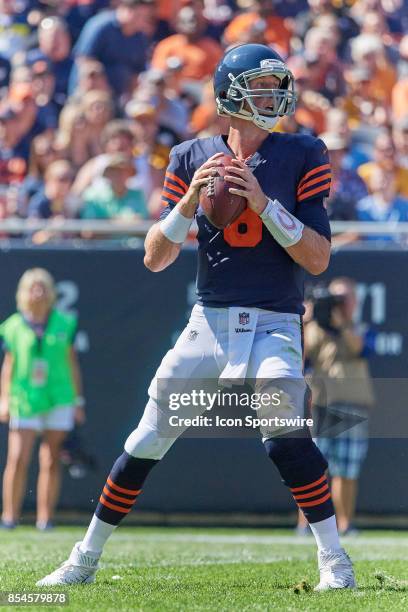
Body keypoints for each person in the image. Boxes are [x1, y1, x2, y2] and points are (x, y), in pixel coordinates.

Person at [37, 43, 355, 591]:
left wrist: (262, 203)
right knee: (146, 440)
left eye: (276, 85)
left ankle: (335, 562)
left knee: (284, 436)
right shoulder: (188, 157)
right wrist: (186, 205)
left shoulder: (303, 152)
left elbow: (319, 259)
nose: (274, 95)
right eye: (260, 86)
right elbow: (155, 258)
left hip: (275, 320)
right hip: (208, 322)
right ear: (230, 94)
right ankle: (84, 558)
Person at [0, 268, 85, 530]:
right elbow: (9, 366)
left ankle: (45, 518)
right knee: (17, 458)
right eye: (33, 287)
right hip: (25, 397)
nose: (38, 292)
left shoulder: (64, 322)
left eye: (43, 287)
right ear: (23, 293)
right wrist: (4, 399)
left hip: (59, 397)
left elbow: (72, 363)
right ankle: (9, 516)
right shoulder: (13, 325)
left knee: (50, 459)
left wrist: (78, 401)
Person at [300, 278, 375, 535]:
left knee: (347, 469)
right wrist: (306, 320)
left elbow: (360, 348)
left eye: (345, 299)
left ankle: (345, 524)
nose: (340, 305)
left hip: (352, 407)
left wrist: (341, 323)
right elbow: (297, 357)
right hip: (320, 405)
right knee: (310, 470)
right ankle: (306, 526)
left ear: (355, 301)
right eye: (335, 299)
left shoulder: (360, 327)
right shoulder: (313, 329)